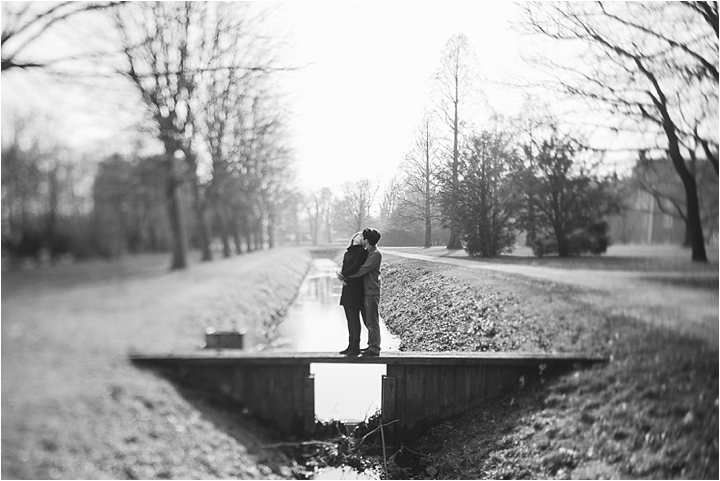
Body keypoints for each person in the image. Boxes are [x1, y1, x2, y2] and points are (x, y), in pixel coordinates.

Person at [343, 227, 382, 357]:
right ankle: (371, 345)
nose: (362, 240)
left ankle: (375, 348)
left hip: (372, 292)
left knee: (372, 322)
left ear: (367, 240)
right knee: (368, 321)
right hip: (367, 291)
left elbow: (363, 270)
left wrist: (345, 276)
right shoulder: (369, 251)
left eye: (364, 238)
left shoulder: (375, 254)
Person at [337, 231, 367, 356]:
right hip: (347, 286)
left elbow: (355, 267)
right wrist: (341, 274)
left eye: (362, 235)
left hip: (356, 288)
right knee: (349, 318)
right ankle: (350, 345)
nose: (359, 236)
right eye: (358, 234)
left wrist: (342, 274)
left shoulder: (361, 252)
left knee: (355, 318)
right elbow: (345, 268)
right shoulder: (347, 252)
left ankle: (356, 346)